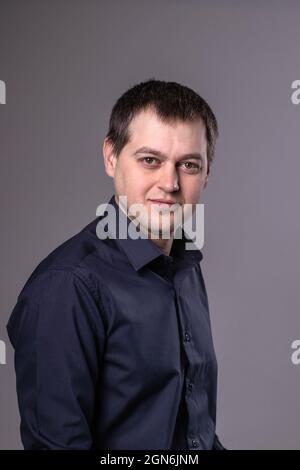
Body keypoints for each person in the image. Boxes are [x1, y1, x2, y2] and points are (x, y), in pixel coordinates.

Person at [7, 79, 226, 450]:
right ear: (111, 157)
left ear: (207, 173)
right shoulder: (68, 287)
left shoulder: (185, 268)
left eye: (188, 164)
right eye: (150, 160)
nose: (169, 183)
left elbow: (195, 436)